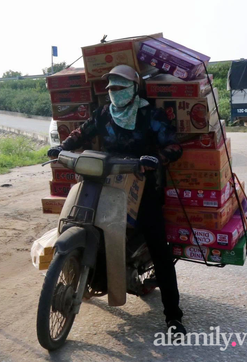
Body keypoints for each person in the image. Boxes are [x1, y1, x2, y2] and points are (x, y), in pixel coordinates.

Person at [47, 64, 186, 336]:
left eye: (121, 87)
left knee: (160, 249)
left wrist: (155, 159)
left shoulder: (150, 115)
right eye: (111, 88)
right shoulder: (103, 114)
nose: (114, 93)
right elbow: (81, 133)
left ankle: (174, 316)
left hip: (142, 186)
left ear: (134, 88)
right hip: (106, 181)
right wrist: (62, 147)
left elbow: (174, 145)